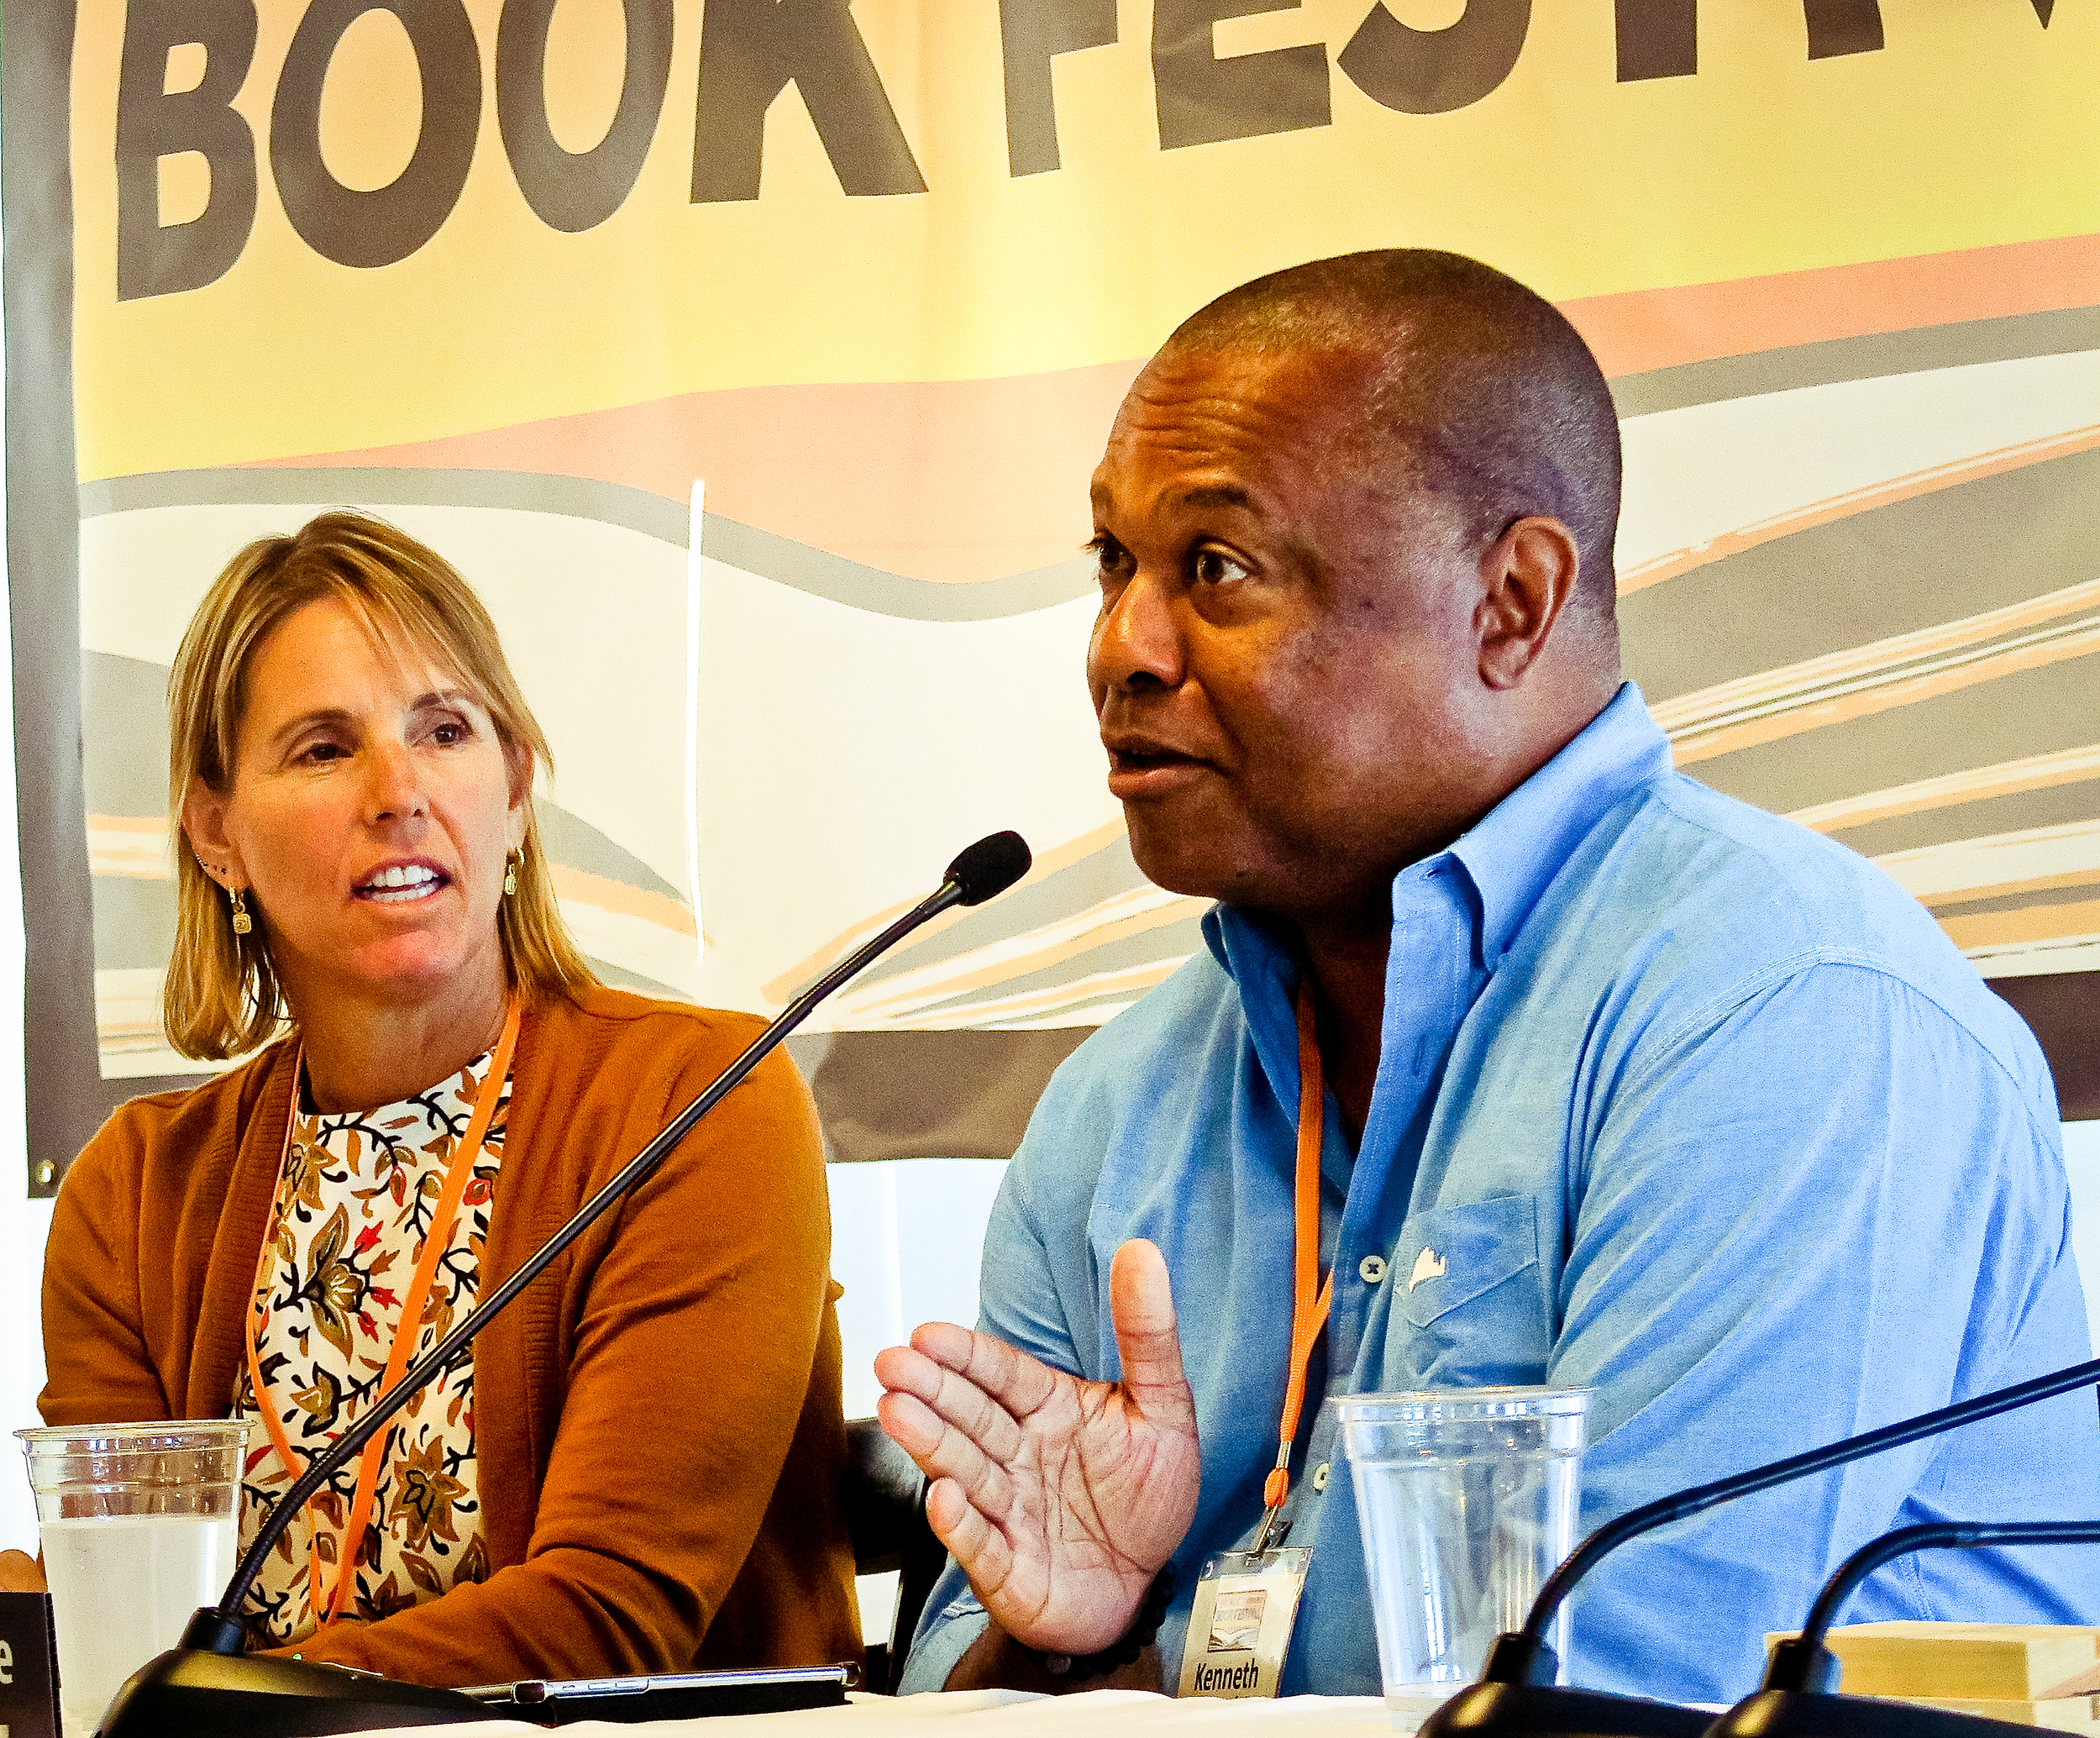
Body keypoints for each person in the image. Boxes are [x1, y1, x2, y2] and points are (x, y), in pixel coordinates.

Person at [873, 250, 2100, 1704]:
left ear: (1513, 602)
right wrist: (1068, 1631)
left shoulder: (1781, 1014)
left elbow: (1636, 1705)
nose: (1121, 649)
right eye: (1112, 566)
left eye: (1215, 567)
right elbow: (946, 1705)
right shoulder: (1115, 1111)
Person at [3, 513, 858, 1685]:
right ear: (217, 833)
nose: (398, 790)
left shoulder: (700, 1107)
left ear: (511, 790)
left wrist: (224, 1702)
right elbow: (117, 1620)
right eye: (322, 748)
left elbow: (606, 1620)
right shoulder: (134, 1191)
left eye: (443, 730)